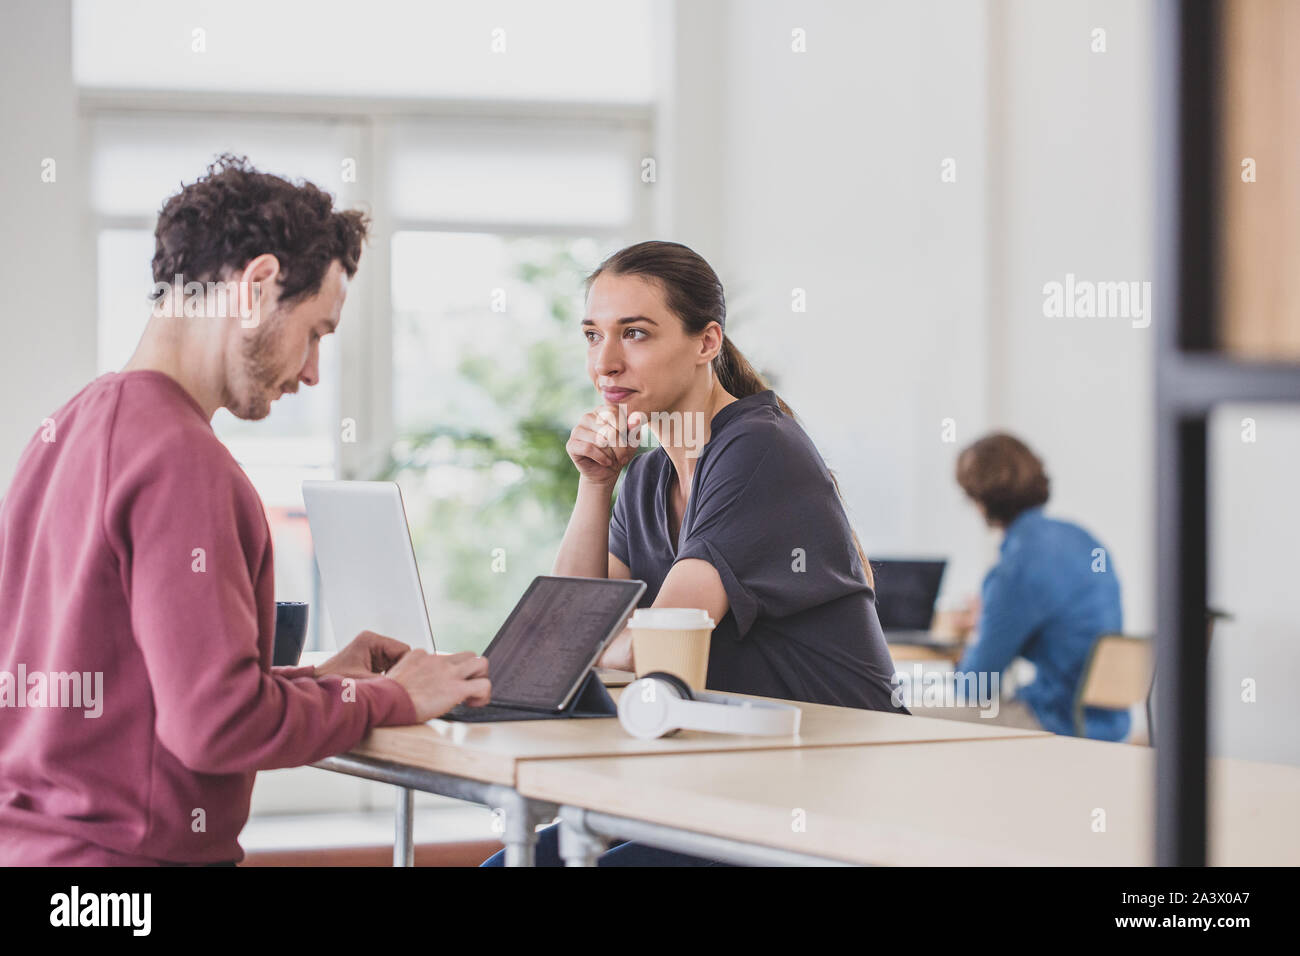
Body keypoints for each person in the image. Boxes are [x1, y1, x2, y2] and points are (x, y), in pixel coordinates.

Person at [0, 155, 490, 866]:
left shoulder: (67, 429)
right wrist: (393, 699)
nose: (315, 370)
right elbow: (216, 726)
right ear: (258, 287)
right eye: (317, 331)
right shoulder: (183, 461)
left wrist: (331, 684)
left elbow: (151, 697)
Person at [483, 239, 904, 866]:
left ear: (707, 343)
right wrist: (595, 484)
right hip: (730, 785)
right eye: (594, 336)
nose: (608, 362)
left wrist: (611, 640)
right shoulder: (649, 476)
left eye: (637, 334)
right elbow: (567, 636)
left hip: (826, 800)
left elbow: (664, 639)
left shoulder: (758, 448)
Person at [942, 432, 1130, 741]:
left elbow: (974, 688)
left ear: (979, 502)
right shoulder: (1084, 539)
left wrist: (980, 631)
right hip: (1109, 723)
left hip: (1057, 721)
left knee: (913, 718)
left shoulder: (1015, 569)